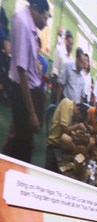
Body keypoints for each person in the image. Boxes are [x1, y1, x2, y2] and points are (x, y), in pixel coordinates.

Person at [2, 0, 50, 163]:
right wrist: (31, 113)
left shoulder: (29, 23)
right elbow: (22, 71)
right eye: (45, 18)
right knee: (22, 148)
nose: (46, 23)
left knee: (21, 137)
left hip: (29, 91)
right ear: (36, 9)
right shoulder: (23, 23)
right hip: (24, 94)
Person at [45, 98, 89, 173]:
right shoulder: (67, 104)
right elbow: (64, 129)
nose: (77, 120)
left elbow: (68, 129)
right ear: (78, 109)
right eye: (79, 118)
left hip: (60, 144)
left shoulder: (72, 113)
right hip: (54, 144)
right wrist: (78, 126)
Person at [51, 29, 73, 104]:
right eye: (69, 43)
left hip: (65, 90)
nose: (71, 46)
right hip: (57, 85)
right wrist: (55, 88)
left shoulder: (71, 58)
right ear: (65, 41)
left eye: (72, 44)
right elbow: (55, 70)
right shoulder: (59, 51)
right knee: (54, 106)